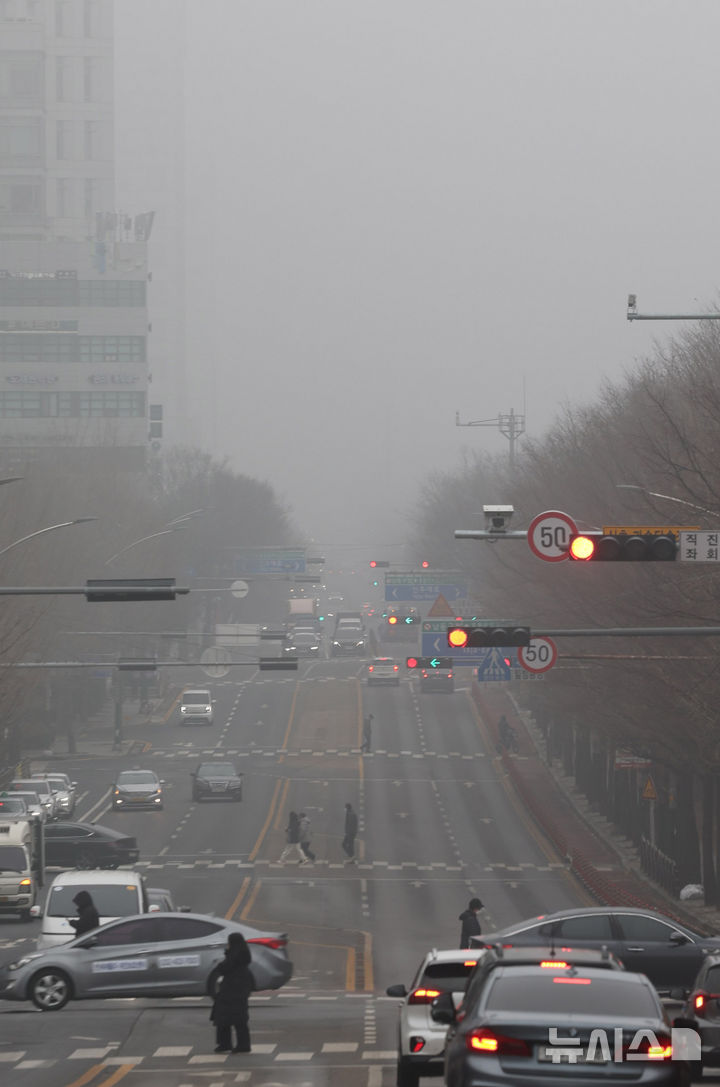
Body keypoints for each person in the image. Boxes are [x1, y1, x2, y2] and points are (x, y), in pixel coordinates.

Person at [210, 931, 254, 1053]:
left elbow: (224, 968)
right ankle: (239, 1044)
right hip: (237, 991)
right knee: (237, 1019)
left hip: (232, 991)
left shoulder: (235, 956)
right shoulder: (243, 955)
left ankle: (228, 1043)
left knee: (226, 1017)